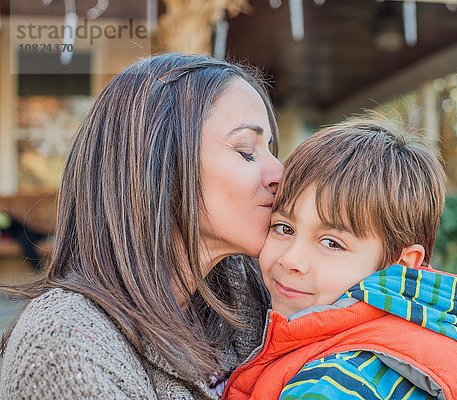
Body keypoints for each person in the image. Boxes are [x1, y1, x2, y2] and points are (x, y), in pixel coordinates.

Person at [0, 53, 284, 399]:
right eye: (246, 150)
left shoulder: (247, 295)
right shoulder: (68, 342)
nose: (280, 175)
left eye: (270, 150)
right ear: (158, 166)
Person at [223, 117, 457, 400]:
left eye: (331, 243)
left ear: (402, 263)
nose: (291, 259)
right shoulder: (425, 338)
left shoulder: (337, 381)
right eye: (285, 228)